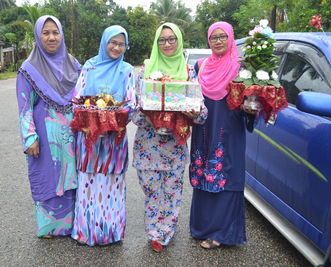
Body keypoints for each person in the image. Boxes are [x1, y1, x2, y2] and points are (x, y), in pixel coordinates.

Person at [132, 22, 208, 252]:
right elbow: (134, 113)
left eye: (171, 39)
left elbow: (202, 112)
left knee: (173, 193)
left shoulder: (188, 72)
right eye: (162, 40)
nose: (167, 44)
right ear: (156, 43)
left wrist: (194, 113)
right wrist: (148, 111)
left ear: (179, 42)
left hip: (174, 146)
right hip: (148, 145)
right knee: (152, 191)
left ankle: (163, 234)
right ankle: (154, 227)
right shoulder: (145, 71)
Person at [189, 21, 257, 249]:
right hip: (203, 129)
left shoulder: (241, 68)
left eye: (222, 37)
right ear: (208, 40)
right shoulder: (200, 66)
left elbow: (251, 102)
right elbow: (191, 95)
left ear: (230, 39)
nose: (218, 41)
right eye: (213, 37)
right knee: (203, 173)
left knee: (226, 175)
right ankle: (202, 227)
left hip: (229, 131)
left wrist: (251, 109)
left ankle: (224, 232)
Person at [16, 15, 81, 238]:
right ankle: (48, 226)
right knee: (47, 174)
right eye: (46, 33)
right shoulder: (28, 68)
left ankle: (71, 224)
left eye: (55, 32)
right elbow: (24, 106)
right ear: (38, 36)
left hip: (72, 133)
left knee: (70, 176)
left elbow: (83, 98)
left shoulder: (72, 64)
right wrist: (29, 137)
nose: (51, 37)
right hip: (44, 134)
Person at [71, 25, 136, 246]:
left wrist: (115, 115)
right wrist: (92, 115)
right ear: (104, 42)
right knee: (88, 182)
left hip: (113, 140)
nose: (117, 47)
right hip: (89, 138)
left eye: (121, 44)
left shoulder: (126, 69)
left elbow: (132, 103)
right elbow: (76, 98)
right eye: (113, 42)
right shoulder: (90, 66)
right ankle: (86, 231)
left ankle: (110, 232)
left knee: (111, 184)